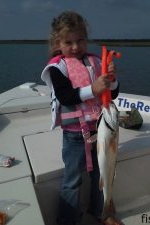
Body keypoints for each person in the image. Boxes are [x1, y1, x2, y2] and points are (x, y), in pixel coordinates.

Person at [41, 11, 121, 225]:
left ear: (86, 39)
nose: (75, 47)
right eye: (69, 42)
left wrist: (111, 80)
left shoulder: (96, 61)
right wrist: (93, 89)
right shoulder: (58, 67)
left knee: (102, 177)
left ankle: (102, 213)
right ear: (57, 42)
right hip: (75, 136)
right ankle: (67, 220)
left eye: (80, 40)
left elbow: (112, 94)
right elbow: (65, 97)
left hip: (100, 132)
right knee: (72, 181)